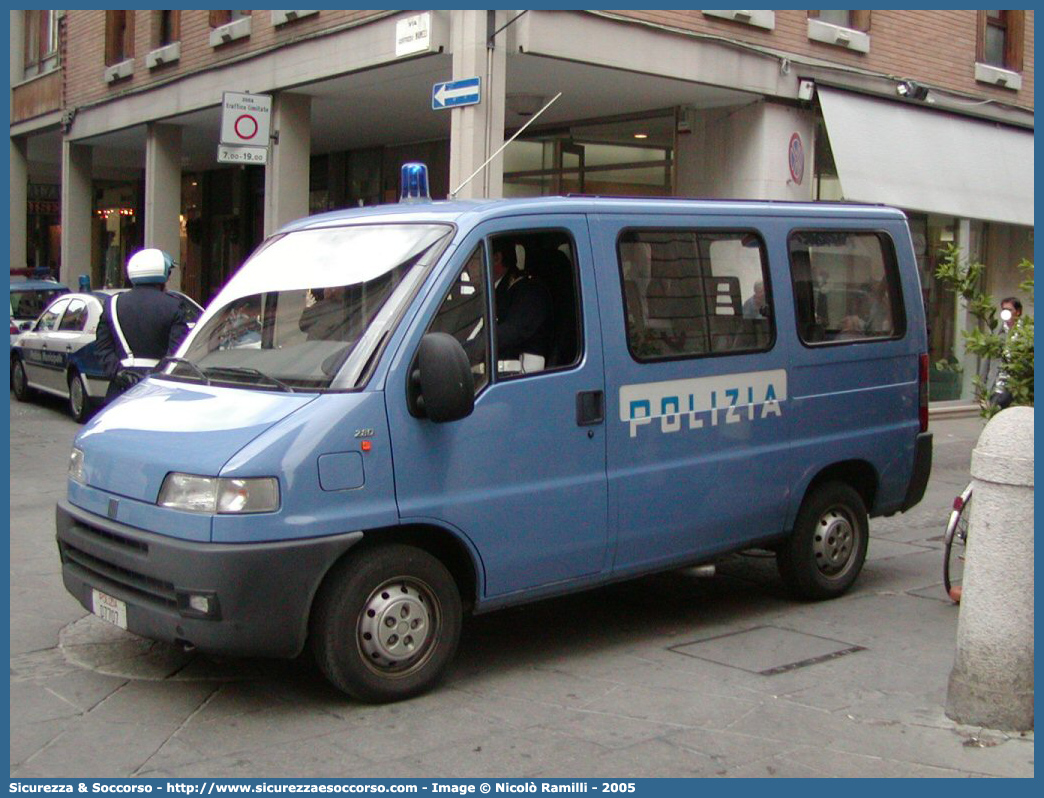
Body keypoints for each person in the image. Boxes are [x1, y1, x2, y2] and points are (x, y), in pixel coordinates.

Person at [95, 248, 189, 400]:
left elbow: (102, 349)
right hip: (159, 390)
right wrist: (153, 375)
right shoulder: (173, 306)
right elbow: (177, 351)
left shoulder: (113, 304)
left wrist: (119, 373)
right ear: (162, 276)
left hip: (120, 389)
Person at [490, 239, 554, 371]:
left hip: (519, 380)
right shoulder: (495, 289)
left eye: (473, 260)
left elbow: (510, 333)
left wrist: (467, 349)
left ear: (496, 258)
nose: (467, 267)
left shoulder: (530, 292)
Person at [990, 296, 1023, 407]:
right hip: (997, 384)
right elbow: (988, 359)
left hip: (1014, 385)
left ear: (1017, 312)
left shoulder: (1024, 332)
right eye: (1004, 309)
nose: (1006, 313)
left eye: (1009, 310)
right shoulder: (997, 331)